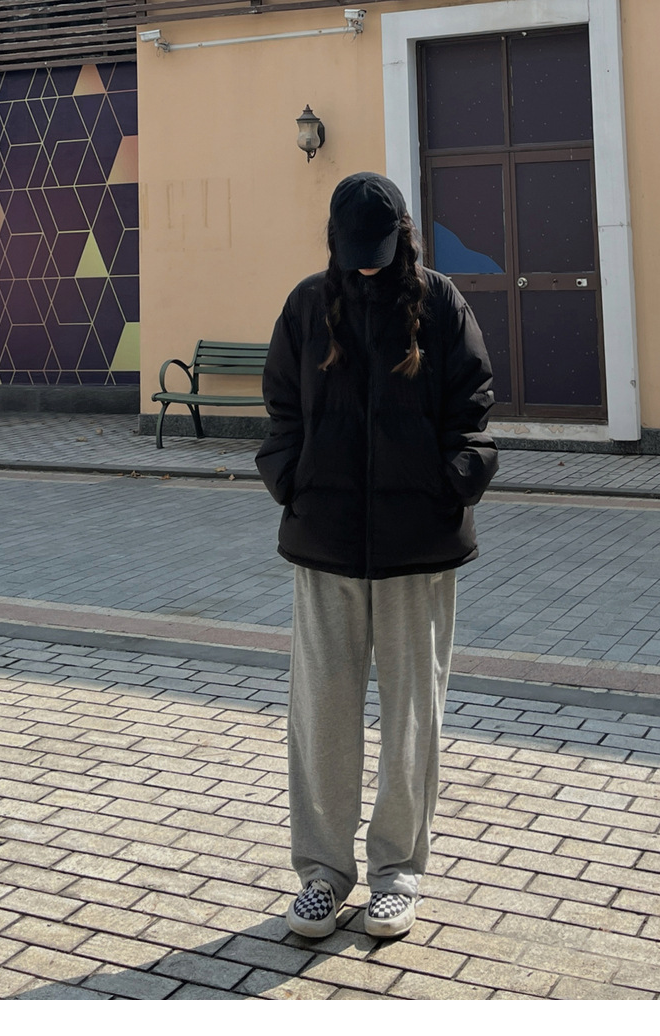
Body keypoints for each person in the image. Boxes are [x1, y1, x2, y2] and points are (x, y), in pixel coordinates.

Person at [256, 171, 498, 939]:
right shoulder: (305, 305)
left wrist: (452, 482)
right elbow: (281, 407)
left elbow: (473, 407)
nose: (368, 260)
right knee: (322, 715)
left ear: (404, 236)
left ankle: (397, 872)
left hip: (417, 547)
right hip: (325, 543)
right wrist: (291, 477)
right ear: (334, 238)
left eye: (381, 247)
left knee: (412, 715)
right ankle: (322, 874)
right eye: (356, 247)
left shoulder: (439, 302)